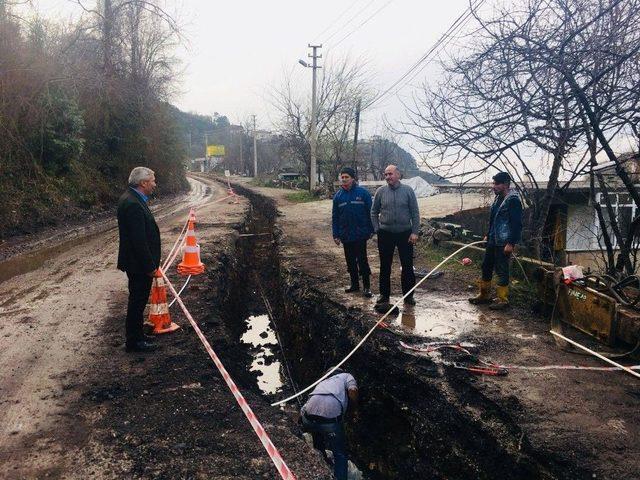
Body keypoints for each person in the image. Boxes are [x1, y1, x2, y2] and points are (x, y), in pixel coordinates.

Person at [117, 167, 161, 352]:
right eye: (152, 180)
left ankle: (136, 336)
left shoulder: (132, 199)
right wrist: (150, 266)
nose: (154, 184)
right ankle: (134, 341)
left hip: (136, 263)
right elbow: (139, 240)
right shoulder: (133, 204)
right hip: (138, 264)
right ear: (143, 183)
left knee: (138, 300)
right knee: (137, 301)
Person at [469, 171, 523, 310]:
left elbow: (517, 224)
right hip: (493, 239)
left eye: (496, 184)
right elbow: (493, 220)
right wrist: (488, 234)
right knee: (486, 266)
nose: (494, 186)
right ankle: (484, 295)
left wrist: (511, 243)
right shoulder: (498, 198)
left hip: (503, 242)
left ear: (505, 184)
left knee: (502, 270)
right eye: (493, 183)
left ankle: (502, 300)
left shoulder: (513, 200)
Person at [370, 165, 420, 306]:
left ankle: (409, 296)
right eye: (385, 174)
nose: (387, 177)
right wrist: (377, 229)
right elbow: (373, 212)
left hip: (405, 234)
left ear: (398, 174)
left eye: (390, 174)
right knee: (385, 265)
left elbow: (415, 213)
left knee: (407, 266)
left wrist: (415, 232)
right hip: (385, 234)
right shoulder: (380, 192)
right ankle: (384, 295)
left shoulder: (408, 191)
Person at [300, 368, 359, 480]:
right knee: (340, 454)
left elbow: (305, 407)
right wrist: (354, 410)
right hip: (330, 422)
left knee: (317, 439)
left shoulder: (322, 382)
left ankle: (323, 464)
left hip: (308, 419)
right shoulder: (346, 376)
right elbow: (353, 390)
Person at [332, 166, 374, 297]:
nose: (344, 179)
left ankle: (367, 287)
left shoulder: (363, 193)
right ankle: (354, 285)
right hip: (346, 235)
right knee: (350, 261)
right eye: (342, 177)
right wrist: (336, 234)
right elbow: (335, 217)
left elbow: (371, 213)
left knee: (362, 260)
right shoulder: (338, 196)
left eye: (346, 177)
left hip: (361, 234)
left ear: (353, 178)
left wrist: (372, 230)